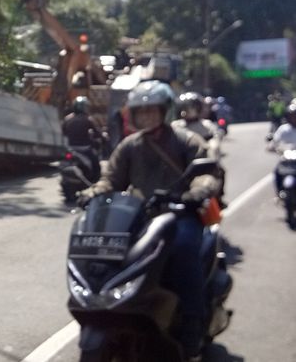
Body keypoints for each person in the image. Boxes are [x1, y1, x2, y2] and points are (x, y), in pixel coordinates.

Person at [78, 80, 220, 362]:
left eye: (151, 112)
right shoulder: (130, 146)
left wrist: (196, 192)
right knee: (110, 251)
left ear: (165, 112)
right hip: (140, 215)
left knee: (183, 250)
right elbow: (112, 179)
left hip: (181, 213)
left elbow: (207, 172)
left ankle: (192, 320)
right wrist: (92, 192)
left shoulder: (185, 141)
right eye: (140, 113)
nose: (146, 117)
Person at [172, 92, 223, 160]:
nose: (186, 111)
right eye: (184, 108)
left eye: (190, 107)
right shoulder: (176, 125)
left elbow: (216, 135)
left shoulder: (206, 124)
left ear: (198, 108)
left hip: (203, 154)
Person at [62, 96, 102, 177]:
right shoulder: (87, 119)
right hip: (84, 148)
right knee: (95, 163)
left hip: (70, 148)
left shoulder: (67, 119)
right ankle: (95, 180)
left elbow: (64, 132)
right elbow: (97, 133)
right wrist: (103, 137)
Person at [269, 103, 296, 190]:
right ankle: (279, 192)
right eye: (292, 116)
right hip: (287, 159)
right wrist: (272, 146)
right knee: (277, 171)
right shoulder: (283, 129)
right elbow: (275, 141)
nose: (294, 118)